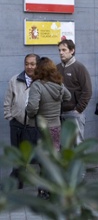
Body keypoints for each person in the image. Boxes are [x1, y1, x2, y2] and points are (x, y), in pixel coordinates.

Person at [26, 57, 71, 199]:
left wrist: (29, 112)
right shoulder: (58, 85)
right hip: (56, 127)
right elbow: (68, 96)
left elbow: (32, 107)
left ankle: (44, 189)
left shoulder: (37, 85)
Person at [3, 53, 40, 189]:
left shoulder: (41, 81)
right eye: (26, 64)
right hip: (17, 125)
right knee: (17, 154)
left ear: (37, 65)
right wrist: (9, 116)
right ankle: (17, 180)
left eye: (32, 64)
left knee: (36, 156)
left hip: (34, 126)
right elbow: (8, 100)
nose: (29, 67)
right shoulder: (15, 80)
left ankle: (41, 186)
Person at [57, 39, 92, 145]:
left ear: (72, 51)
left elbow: (87, 90)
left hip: (74, 112)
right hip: (59, 113)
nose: (61, 53)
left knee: (78, 144)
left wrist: (78, 109)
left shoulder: (79, 68)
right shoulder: (57, 68)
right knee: (63, 145)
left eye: (64, 50)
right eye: (59, 50)